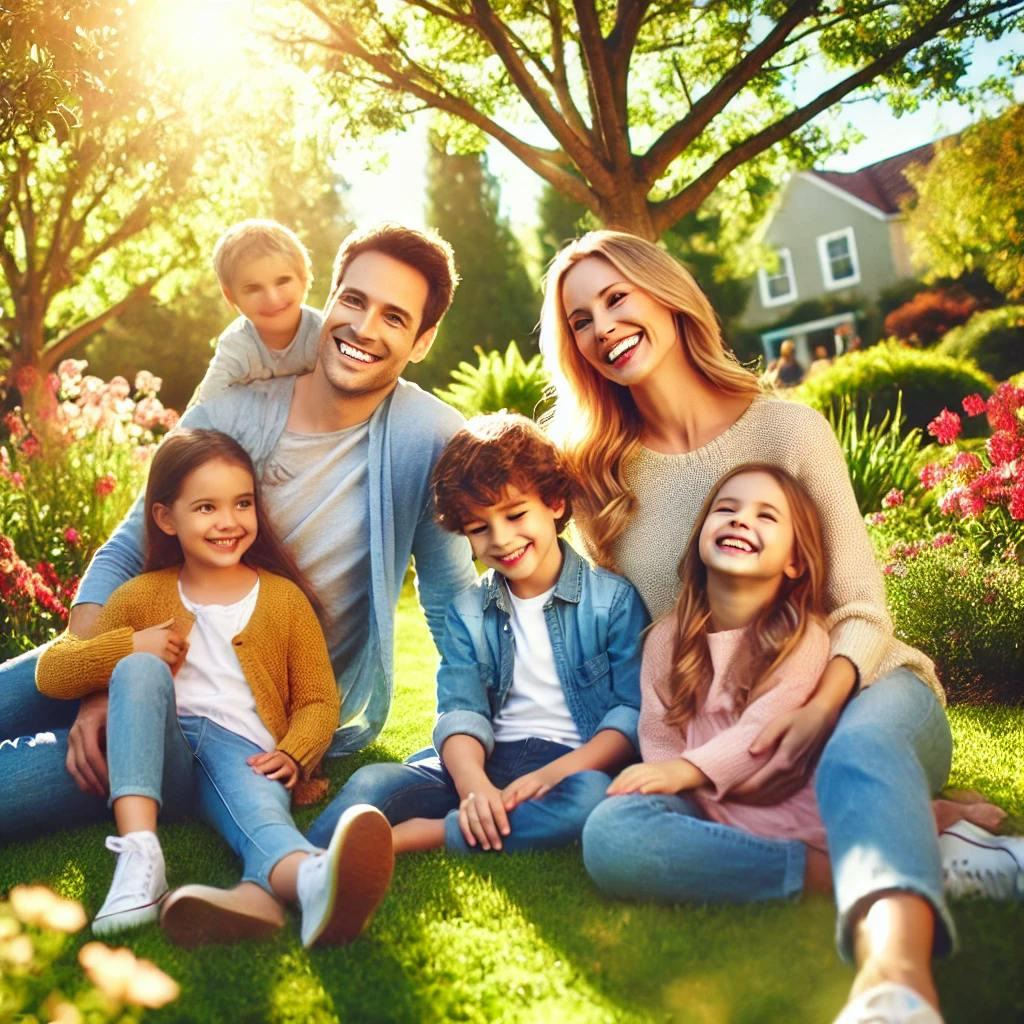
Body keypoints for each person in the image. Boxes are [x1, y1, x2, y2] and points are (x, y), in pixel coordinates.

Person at [539, 230, 1018, 1024]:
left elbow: (863, 609)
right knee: (615, 835)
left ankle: (894, 980)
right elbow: (648, 644)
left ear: (664, 293)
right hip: (727, 746)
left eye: (616, 297)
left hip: (865, 692)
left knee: (860, 752)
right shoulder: (603, 480)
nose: (603, 326)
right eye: (580, 319)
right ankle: (902, 851)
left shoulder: (788, 431)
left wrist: (817, 712)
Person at [0, 223, 477, 886]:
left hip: (236, 717)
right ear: (328, 300)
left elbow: (455, 605)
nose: (364, 327)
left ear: (422, 340)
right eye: (354, 300)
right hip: (140, 655)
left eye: (395, 317)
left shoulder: (429, 439)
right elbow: (126, 547)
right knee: (23, 685)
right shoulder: (234, 409)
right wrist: (98, 680)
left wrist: (473, 747)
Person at [583, 463, 1019, 911]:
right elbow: (658, 732)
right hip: (707, 801)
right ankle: (873, 860)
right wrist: (665, 780)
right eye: (726, 509)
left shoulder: (801, 636)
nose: (740, 520)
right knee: (610, 831)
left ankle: (886, 855)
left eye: (766, 516)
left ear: (794, 561)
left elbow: (762, 729)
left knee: (853, 815)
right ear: (699, 537)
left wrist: (686, 771)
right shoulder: (664, 640)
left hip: (787, 797)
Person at [35, 429, 393, 947]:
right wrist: (129, 646)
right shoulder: (140, 596)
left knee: (262, 818)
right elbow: (53, 672)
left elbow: (318, 698)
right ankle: (141, 856)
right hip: (158, 751)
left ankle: (314, 882)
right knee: (140, 670)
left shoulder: (284, 600)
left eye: (242, 504)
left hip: (245, 754)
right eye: (206, 507)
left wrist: (296, 752)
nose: (229, 522)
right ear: (165, 518)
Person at [306, 413, 650, 855]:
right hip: (482, 758)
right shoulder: (468, 610)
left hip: (571, 766)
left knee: (587, 802)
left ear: (555, 504)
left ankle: (418, 837)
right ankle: (303, 865)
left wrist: (553, 774)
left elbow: (628, 715)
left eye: (515, 514)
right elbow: (461, 710)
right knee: (374, 780)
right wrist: (472, 786)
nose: (501, 539)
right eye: (479, 528)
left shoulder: (612, 602)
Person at [191, 219, 322, 405]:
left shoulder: (322, 334)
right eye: (253, 288)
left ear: (304, 278)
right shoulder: (236, 344)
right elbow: (206, 405)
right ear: (230, 296)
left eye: (283, 281)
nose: (272, 299)